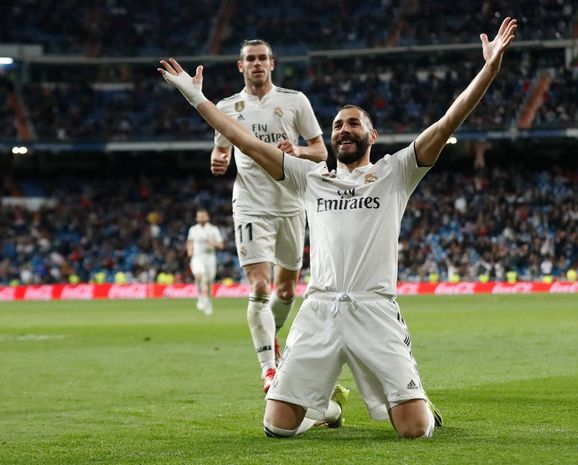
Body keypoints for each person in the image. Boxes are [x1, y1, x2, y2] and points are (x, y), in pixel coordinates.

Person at [159, 16, 517, 439]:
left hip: (374, 308)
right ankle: (328, 406)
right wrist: (197, 99)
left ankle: (416, 401)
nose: (343, 130)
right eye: (337, 126)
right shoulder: (310, 177)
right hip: (320, 309)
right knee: (276, 429)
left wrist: (489, 69)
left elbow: (446, 123)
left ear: (372, 134)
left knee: (415, 431)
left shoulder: (396, 172)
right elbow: (248, 143)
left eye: (352, 124)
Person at [209, 39, 328, 391]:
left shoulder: (295, 101)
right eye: (251, 59)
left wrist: (299, 151)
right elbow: (220, 150)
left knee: (287, 291)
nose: (257, 64)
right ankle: (269, 367)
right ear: (240, 66)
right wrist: (219, 159)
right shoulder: (227, 107)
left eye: (263, 58)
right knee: (260, 285)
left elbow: (322, 152)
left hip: (292, 204)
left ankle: (269, 337)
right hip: (250, 204)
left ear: (272, 64)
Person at [187, 209, 224, 315]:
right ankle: (200, 297)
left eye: (203, 216)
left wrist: (212, 242)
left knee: (208, 282)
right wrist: (190, 252)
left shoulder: (213, 229)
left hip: (210, 258)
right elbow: (190, 241)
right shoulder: (193, 229)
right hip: (197, 257)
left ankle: (207, 300)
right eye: (199, 216)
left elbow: (221, 245)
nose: (201, 218)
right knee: (199, 276)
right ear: (196, 218)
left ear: (207, 217)